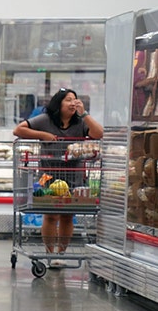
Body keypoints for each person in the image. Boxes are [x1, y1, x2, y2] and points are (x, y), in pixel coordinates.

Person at [13, 88, 104, 260]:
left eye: (75, 100)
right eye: (68, 100)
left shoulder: (80, 122)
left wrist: (84, 114)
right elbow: (18, 130)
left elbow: (98, 134)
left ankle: (61, 254)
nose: (73, 103)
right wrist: (43, 135)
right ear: (59, 103)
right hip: (48, 174)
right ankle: (50, 253)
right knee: (51, 214)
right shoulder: (46, 119)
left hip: (74, 174)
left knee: (68, 215)